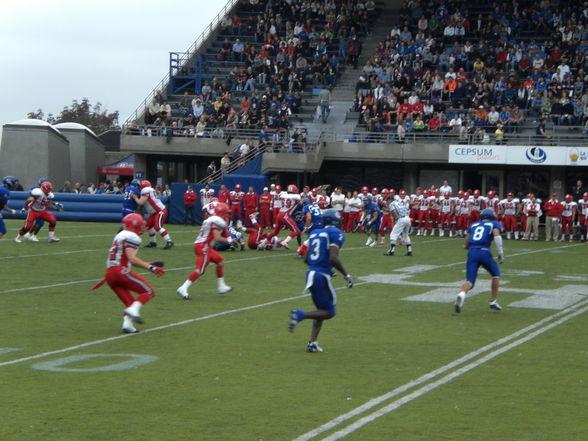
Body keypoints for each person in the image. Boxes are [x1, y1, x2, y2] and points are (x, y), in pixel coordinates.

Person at [288, 209, 353, 353]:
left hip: (310, 272)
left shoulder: (316, 232)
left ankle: (312, 343)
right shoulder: (335, 233)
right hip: (320, 276)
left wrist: (320, 267)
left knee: (322, 309)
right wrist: (346, 275)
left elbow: (306, 258)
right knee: (329, 311)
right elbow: (333, 257)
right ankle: (300, 315)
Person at [93, 214, 165, 333]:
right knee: (149, 291)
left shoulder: (120, 235)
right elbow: (132, 258)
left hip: (110, 275)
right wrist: (151, 267)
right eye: (141, 224)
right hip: (120, 272)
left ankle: (127, 325)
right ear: (135, 225)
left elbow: (128, 259)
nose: (144, 226)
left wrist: (147, 264)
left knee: (130, 302)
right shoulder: (132, 237)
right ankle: (133, 311)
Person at [176, 202, 234, 300]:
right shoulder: (217, 221)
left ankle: (221, 286)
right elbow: (217, 238)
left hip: (204, 246)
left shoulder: (213, 219)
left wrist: (229, 239)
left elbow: (225, 231)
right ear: (221, 213)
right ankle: (183, 288)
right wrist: (229, 241)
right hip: (204, 246)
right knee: (200, 270)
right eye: (226, 213)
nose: (228, 215)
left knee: (219, 260)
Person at [454, 208, 504, 313]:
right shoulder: (493, 224)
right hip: (484, 252)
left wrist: (469, 247)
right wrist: (500, 252)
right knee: (495, 274)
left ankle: (462, 293)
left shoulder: (474, 225)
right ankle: (493, 301)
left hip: (472, 252)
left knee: (470, 281)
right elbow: (497, 235)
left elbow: (465, 244)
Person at [132, 180, 174, 249]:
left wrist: (135, 197)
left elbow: (140, 202)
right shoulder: (149, 190)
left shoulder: (146, 190)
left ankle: (169, 241)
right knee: (148, 226)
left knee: (157, 226)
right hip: (154, 212)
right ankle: (153, 242)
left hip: (160, 211)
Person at [266, 184, 301, 249]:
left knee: (275, 232)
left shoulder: (283, 195)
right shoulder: (296, 196)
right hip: (285, 215)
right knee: (296, 231)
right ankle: (285, 242)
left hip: (279, 214)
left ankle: (266, 241)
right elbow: (300, 202)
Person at [384, 190, 413, 256]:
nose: (387, 201)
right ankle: (409, 250)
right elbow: (408, 209)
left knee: (393, 234)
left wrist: (396, 219)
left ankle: (392, 251)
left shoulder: (392, 204)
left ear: (390, 199)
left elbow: (394, 212)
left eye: (387, 200)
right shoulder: (401, 202)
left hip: (401, 219)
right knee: (405, 235)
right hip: (408, 218)